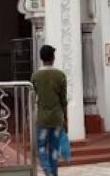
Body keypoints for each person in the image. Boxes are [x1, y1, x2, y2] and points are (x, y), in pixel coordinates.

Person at [31, 44, 67, 176]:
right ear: (53, 57)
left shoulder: (35, 76)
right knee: (54, 150)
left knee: (41, 148)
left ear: (41, 58)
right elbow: (63, 100)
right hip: (57, 118)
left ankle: (48, 172)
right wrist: (65, 119)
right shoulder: (60, 75)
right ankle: (53, 174)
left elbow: (33, 97)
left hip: (43, 118)